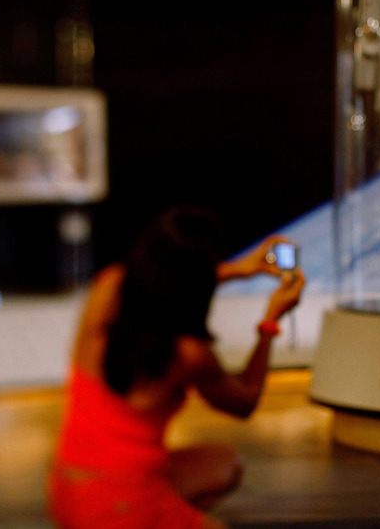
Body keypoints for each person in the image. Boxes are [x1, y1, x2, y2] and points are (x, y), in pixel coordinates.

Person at [48, 206, 305, 529]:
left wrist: (240, 270)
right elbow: (246, 400)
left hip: (67, 491)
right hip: (121, 501)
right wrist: (269, 323)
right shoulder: (188, 353)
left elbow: (159, 281)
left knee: (224, 465)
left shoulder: (109, 287)